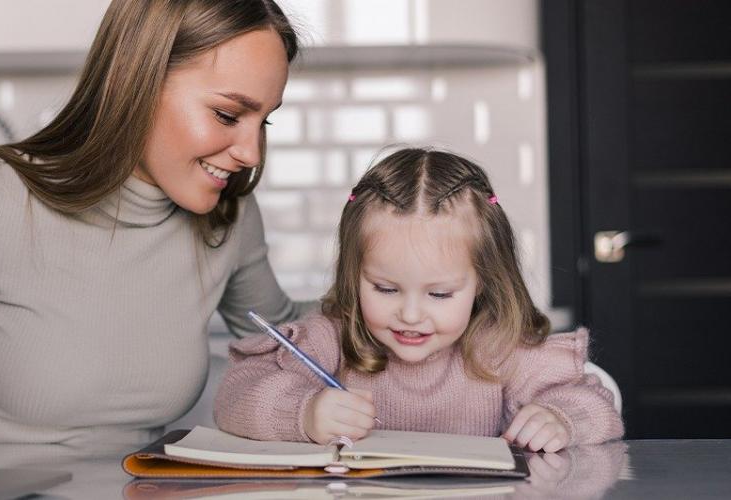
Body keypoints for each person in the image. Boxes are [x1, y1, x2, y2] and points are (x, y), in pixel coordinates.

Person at [0, 0, 315, 465]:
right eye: (228, 115)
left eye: (265, 120)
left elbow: (292, 341)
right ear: (137, 83)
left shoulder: (227, 215)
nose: (252, 153)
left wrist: (393, 276)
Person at [214, 148, 624, 453]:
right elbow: (236, 394)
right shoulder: (330, 339)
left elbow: (595, 402)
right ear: (354, 274)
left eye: (440, 294)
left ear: (483, 281)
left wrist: (561, 419)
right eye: (386, 289)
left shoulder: (498, 347)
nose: (410, 315)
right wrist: (303, 412)